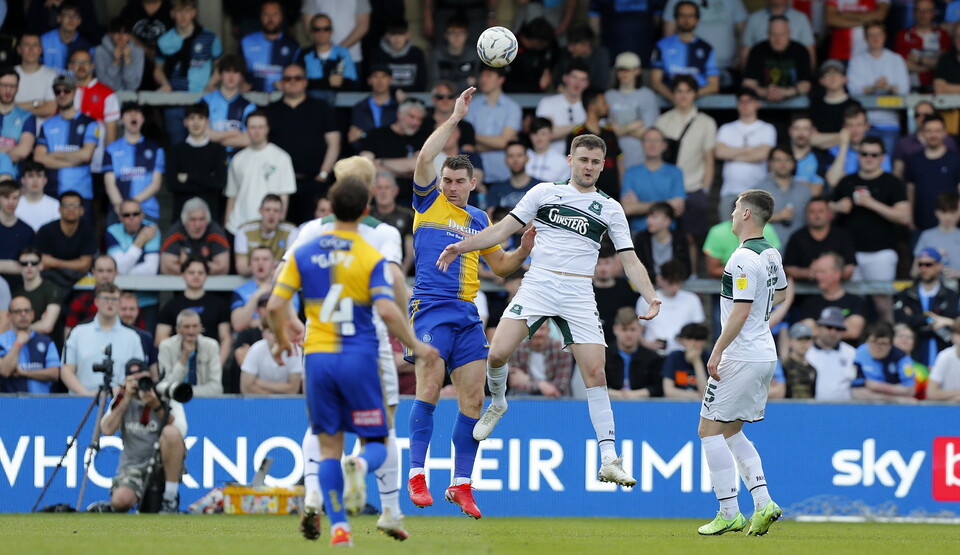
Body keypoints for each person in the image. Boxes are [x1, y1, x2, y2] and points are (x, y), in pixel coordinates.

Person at [438, 128, 663, 488]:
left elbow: (631, 260)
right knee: (496, 355)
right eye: (583, 160)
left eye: (595, 162)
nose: (589, 167)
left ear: (602, 165)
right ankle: (498, 403)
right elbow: (501, 231)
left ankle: (609, 459)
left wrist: (650, 295)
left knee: (596, 374)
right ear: (570, 160)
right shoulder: (545, 192)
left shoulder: (610, 207)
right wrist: (461, 247)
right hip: (540, 282)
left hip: (577, 290)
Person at [267, 177, 438, 547]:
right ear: (365, 211)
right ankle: (359, 466)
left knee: (328, 446)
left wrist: (281, 340)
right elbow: (388, 310)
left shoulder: (303, 252)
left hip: (318, 359)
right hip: (359, 358)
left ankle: (340, 527)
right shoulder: (368, 255)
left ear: (328, 206)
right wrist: (416, 346)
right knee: (376, 437)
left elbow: (274, 306)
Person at [406, 87, 535, 519]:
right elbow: (425, 158)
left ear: (473, 184)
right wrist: (455, 118)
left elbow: (499, 268)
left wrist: (521, 251)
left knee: (474, 401)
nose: (453, 187)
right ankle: (417, 475)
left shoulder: (480, 220)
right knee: (428, 386)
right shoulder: (428, 203)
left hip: (466, 313)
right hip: (429, 307)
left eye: (460, 181)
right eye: (448, 180)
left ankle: (461, 484)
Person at [695, 189, 788, 536]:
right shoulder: (771, 254)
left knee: (708, 430)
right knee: (732, 430)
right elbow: (779, 292)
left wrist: (717, 349)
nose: (732, 214)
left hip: (741, 354)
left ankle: (729, 511)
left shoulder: (741, 258)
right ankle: (764, 504)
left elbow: (741, 310)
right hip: (765, 352)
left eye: (736, 208)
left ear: (747, 214)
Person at [830, 136, 910, 321]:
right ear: (858, 156)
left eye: (874, 155)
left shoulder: (892, 182)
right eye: (864, 153)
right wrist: (836, 207)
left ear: (883, 157)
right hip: (848, 255)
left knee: (883, 303)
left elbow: (904, 216)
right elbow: (825, 210)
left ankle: (888, 337)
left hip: (880, 253)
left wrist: (872, 203)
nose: (869, 158)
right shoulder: (846, 181)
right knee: (850, 304)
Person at [101, 359, 187, 514]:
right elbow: (106, 429)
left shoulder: (164, 395)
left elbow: (180, 431)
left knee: (170, 432)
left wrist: (157, 406)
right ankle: (131, 499)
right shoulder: (121, 398)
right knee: (120, 502)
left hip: (164, 464)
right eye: (134, 378)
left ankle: (170, 499)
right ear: (126, 381)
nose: (140, 382)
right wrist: (126, 398)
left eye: (143, 377)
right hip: (134, 466)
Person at [264, 63, 341, 226]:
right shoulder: (270, 111)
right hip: (279, 184)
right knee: (282, 230)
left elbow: (334, 143)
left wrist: (323, 175)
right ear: (281, 82)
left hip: (313, 182)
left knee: (313, 230)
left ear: (305, 82)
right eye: (287, 78)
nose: (292, 82)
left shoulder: (321, 108)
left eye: (297, 78)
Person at [655, 75, 717, 272]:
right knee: (665, 236)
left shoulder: (706, 122)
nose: (683, 96)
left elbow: (709, 159)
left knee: (691, 238)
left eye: (688, 91)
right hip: (666, 188)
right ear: (673, 94)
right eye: (679, 91)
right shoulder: (662, 121)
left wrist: (705, 189)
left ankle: (691, 277)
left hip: (694, 186)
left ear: (694, 94)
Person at [154, 0, 223, 144]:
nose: (183, 16)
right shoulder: (164, 40)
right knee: (177, 145)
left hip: (202, 101)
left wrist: (210, 84)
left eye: (187, 11)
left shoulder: (210, 38)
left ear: (193, 13)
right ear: (172, 13)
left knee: (205, 144)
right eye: (179, 11)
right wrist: (165, 85)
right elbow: (158, 70)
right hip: (175, 101)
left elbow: (220, 66)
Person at [61, 283, 146, 396]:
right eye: (106, 298)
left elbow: (137, 374)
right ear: (96, 302)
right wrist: (86, 395)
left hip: (120, 402)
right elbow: (66, 370)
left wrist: (117, 392)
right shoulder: (78, 332)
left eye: (114, 299)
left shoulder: (133, 337)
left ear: (119, 303)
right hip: (81, 401)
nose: (110, 303)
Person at [33, 75, 97, 213]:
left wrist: (53, 155)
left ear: (74, 92)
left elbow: (86, 155)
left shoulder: (89, 123)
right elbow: (39, 159)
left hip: (81, 193)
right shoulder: (47, 125)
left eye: (66, 90)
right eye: (57, 91)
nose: (62, 94)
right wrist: (76, 160)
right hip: (52, 191)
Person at [846, 21, 910, 155]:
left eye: (879, 34)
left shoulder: (896, 59)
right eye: (871, 35)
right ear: (865, 38)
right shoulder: (856, 61)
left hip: (890, 122)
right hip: (863, 125)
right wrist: (874, 87)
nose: (875, 38)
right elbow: (852, 89)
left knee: (886, 165)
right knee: (864, 163)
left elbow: (904, 89)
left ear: (885, 36)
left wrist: (889, 87)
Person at [715, 89, 777, 222]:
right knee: (727, 233)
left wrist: (731, 153)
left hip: (758, 193)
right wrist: (749, 150)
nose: (745, 105)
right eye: (741, 102)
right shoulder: (726, 128)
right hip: (729, 191)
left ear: (757, 104)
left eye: (749, 101)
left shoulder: (767, 128)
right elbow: (720, 153)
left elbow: (764, 154)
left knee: (756, 234)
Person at [156, 257, 231, 365]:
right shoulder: (171, 305)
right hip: (179, 362)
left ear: (206, 275)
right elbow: (161, 338)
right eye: (191, 272)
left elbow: (226, 339)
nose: (196, 276)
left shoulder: (219, 304)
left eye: (200, 272)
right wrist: (177, 363)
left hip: (209, 362)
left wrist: (217, 365)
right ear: (183, 275)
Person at [894, 248, 960, 367]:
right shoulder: (906, 294)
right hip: (913, 354)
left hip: (943, 351)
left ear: (939, 266)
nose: (923, 268)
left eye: (928, 264)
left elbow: (956, 321)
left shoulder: (951, 295)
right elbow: (899, 320)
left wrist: (949, 322)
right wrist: (929, 319)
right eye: (920, 264)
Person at [165, 103, 228, 223]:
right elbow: (172, 185)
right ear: (185, 122)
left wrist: (189, 177)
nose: (196, 122)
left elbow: (219, 183)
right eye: (192, 118)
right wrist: (207, 180)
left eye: (200, 118)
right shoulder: (176, 151)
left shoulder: (218, 150)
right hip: (181, 218)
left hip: (210, 217)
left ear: (207, 121)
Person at [359, 98, 431, 204]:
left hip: (411, 201)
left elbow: (416, 166)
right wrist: (403, 172)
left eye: (419, 119)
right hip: (377, 199)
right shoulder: (376, 135)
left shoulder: (421, 138)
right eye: (411, 117)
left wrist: (381, 162)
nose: (415, 122)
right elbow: (365, 167)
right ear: (399, 114)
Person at [463, 66, 522, 190]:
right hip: (475, 174)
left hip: (503, 173)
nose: (483, 79)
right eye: (482, 75)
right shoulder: (471, 105)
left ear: (500, 79)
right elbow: (468, 144)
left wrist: (474, 137)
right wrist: (497, 143)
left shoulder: (513, 107)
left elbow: (504, 142)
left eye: (488, 76)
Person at [103, 103, 164, 222]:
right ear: (121, 120)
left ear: (143, 119)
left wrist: (131, 206)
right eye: (128, 112)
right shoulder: (111, 149)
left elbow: (156, 184)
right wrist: (123, 208)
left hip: (147, 211)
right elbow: (109, 184)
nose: (133, 115)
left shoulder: (156, 149)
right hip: (118, 211)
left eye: (137, 112)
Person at [620, 128, 685, 234]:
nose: (652, 144)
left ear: (664, 145)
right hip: (638, 233)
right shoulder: (630, 173)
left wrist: (639, 206)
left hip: (667, 234)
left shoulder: (676, 172)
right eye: (648, 140)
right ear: (642, 144)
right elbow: (627, 209)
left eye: (656, 140)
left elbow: (677, 210)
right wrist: (666, 204)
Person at [650, 2, 720, 99]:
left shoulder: (706, 48)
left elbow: (714, 85)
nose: (686, 20)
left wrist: (688, 97)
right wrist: (675, 99)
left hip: (699, 104)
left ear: (697, 19)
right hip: (668, 102)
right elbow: (655, 82)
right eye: (682, 15)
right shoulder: (662, 45)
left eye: (690, 16)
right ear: (676, 18)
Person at [903, 114, 960, 233]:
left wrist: (956, 219)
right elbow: (910, 191)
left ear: (944, 133)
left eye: (937, 131)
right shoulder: (913, 160)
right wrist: (910, 219)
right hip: (920, 226)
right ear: (922, 133)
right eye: (929, 131)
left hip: (952, 227)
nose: (933, 135)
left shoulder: (956, 159)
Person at [565, 88, 623, 199]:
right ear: (592, 106)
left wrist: (621, 190)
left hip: (612, 197)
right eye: (603, 102)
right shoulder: (576, 135)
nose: (607, 106)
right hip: (584, 196)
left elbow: (619, 162)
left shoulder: (610, 133)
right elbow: (571, 167)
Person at [637, 259, 705, 354]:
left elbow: (699, 333)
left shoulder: (692, 299)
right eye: (671, 283)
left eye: (678, 283)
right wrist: (646, 344)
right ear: (660, 280)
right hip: (653, 354)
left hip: (683, 354)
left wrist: (688, 342)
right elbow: (637, 329)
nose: (675, 288)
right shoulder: (646, 299)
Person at [605, 51, 659, 170]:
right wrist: (633, 126)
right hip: (612, 158)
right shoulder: (608, 96)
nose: (623, 73)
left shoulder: (648, 95)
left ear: (638, 70)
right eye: (620, 69)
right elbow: (605, 133)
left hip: (641, 158)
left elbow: (649, 134)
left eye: (627, 69)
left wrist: (618, 129)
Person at [783, 197, 857, 283]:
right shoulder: (797, 237)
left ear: (830, 214)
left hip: (837, 290)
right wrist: (806, 273)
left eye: (821, 211)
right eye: (812, 211)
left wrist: (829, 275)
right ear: (806, 215)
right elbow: (788, 268)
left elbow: (849, 268)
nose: (817, 215)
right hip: (805, 293)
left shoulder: (842, 236)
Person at [798, 252, 868, 343]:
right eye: (817, 272)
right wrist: (841, 327)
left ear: (837, 274)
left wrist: (819, 328)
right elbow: (806, 330)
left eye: (822, 272)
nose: (818, 276)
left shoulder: (856, 301)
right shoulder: (810, 303)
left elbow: (854, 331)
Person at [742, 16, 812, 103]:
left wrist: (784, 92)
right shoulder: (757, 51)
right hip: (761, 107)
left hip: (795, 108)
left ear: (789, 33)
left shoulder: (801, 51)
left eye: (782, 34)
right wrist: (766, 92)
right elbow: (748, 83)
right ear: (768, 34)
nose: (778, 39)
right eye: (774, 34)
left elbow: (806, 85)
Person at [34, 190, 96, 290]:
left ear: (82, 210)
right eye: (66, 205)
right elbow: (44, 262)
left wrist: (54, 263)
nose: (71, 208)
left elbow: (85, 265)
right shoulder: (46, 230)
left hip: (79, 279)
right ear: (59, 209)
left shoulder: (87, 230)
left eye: (75, 205)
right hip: (50, 279)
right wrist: (75, 263)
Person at [0, 296, 60, 393]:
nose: (23, 314)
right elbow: (4, 371)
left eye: (26, 311)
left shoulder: (46, 341)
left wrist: (24, 372)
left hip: (41, 404)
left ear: (32, 314)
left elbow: (54, 374)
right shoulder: (1, 341)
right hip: (10, 404)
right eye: (17, 311)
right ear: (9, 316)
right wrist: (18, 343)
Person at [158, 308, 223, 396]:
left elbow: (216, 387)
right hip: (174, 402)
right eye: (186, 327)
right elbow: (165, 385)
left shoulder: (211, 346)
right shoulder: (166, 346)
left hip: (203, 401)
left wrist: (186, 393)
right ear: (178, 329)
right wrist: (184, 357)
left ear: (200, 327)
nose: (191, 331)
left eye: (195, 326)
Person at [756, 147, 813, 247]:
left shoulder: (805, 191)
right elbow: (749, 220)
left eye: (787, 159)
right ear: (770, 163)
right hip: (767, 249)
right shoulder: (758, 190)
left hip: (799, 250)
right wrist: (777, 216)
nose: (783, 163)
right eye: (778, 159)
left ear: (794, 164)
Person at [159, 197, 230, 275]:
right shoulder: (175, 232)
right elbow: (167, 267)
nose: (197, 225)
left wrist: (187, 262)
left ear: (207, 220)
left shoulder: (215, 232)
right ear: (184, 221)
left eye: (201, 219)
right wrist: (207, 266)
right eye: (193, 219)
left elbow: (222, 268)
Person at [240, 0, 300, 93]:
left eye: (274, 14)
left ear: (281, 17)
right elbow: (236, 69)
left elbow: (298, 75)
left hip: (281, 99)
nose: (270, 19)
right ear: (260, 17)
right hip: (251, 97)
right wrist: (241, 82)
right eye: (266, 14)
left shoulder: (292, 46)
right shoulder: (246, 41)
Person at [605, 306, 663, 399]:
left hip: (643, 406)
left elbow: (658, 388)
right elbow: (596, 385)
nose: (628, 334)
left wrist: (633, 395)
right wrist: (618, 395)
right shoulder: (603, 355)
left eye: (632, 329)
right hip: (610, 403)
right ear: (615, 329)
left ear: (640, 329)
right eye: (624, 329)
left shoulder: (652, 358)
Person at [200, 55, 255, 155]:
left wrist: (215, 137)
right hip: (208, 157)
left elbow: (248, 139)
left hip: (237, 159)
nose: (231, 76)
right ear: (220, 75)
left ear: (242, 76)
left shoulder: (249, 106)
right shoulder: (205, 101)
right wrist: (233, 133)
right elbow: (201, 132)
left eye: (236, 72)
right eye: (227, 71)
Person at [298, 13, 357, 103]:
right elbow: (299, 82)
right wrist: (327, 82)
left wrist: (320, 84)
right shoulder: (304, 54)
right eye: (317, 29)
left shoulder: (343, 53)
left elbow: (352, 83)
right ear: (311, 32)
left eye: (326, 29)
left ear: (331, 31)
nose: (322, 33)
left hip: (338, 107)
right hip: (311, 104)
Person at [535, 61, 590, 157]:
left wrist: (558, 131)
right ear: (565, 78)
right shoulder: (547, 103)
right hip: (552, 163)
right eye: (574, 77)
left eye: (582, 79)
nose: (577, 83)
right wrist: (581, 126)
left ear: (587, 84)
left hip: (581, 166)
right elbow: (543, 134)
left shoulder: (590, 107)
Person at [233, 194, 298, 276]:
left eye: (276, 210)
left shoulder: (291, 231)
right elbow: (242, 268)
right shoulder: (244, 231)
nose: (271, 214)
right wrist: (265, 270)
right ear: (260, 211)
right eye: (267, 210)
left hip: (278, 281)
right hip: (251, 281)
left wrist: (261, 268)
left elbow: (292, 266)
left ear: (281, 213)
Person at [231, 246, 292, 332]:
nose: (260, 263)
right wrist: (256, 296)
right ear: (250, 264)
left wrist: (251, 323)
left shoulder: (286, 287)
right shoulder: (240, 291)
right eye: (256, 259)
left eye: (265, 259)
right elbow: (237, 325)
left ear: (274, 264)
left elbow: (289, 320)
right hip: (248, 339)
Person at [852, 321, 917, 401]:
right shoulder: (860, 352)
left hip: (894, 407)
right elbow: (856, 391)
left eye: (883, 343)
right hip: (865, 404)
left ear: (891, 344)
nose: (877, 347)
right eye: (873, 342)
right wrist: (895, 398)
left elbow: (910, 390)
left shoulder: (902, 359)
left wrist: (876, 386)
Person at [739, 0, 816, 67]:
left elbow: (810, 53)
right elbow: (746, 53)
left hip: (794, 79)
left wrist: (808, 78)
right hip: (761, 80)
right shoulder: (754, 19)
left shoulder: (801, 18)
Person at [505, 323, 574, 398]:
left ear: (548, 330)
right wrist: (541, 385)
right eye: (534, 328)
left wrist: (528, 380)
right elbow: (515, 383)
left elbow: (561, 386)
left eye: (542, 328)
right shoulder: (517, 349)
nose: (537, 333)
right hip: (525, 397)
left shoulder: (562, 349)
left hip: (557, 398)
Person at [805, 306, 859, 400]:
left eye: (838, 329)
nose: (833, 332)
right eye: (829, 327)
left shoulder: (852, 353)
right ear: (818, 327)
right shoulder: (806, 351)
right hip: (811, 409)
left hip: (844, 410)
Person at [895, 0, 950, 92]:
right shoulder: (903, 35)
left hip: (936, 90)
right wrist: (933, 64)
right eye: (919, 10)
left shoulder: (943, 35)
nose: (923, 14)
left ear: (933, 13)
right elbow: (902, 65)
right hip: (910, 89)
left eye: (927, 11)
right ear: (913, 13)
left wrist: (919, 60)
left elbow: (946, 64)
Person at [239, 318, 302, 395]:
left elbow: (293, 389)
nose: (276, 336)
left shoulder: (295, 351)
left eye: (279, 331)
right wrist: (271, 398)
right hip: (258, 403)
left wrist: (259, 382)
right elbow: (246, 388)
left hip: (286, 404)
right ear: (263, 334)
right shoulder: (255, 349)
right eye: (271, 332)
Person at [593, 244, 640, 344]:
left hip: (620, 343)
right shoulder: (587, 290)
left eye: (606, 263)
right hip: (595, 341)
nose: (603, 268)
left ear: (614, 264)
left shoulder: (625, 287)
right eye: (599, 263)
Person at [368, 171, 414, 274]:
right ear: (373, 191)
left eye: (387, 187)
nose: (383, 192)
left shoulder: (407, 216)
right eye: (379, 188)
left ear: (395, 191)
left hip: (398, 271)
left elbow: (409, 253)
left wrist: (400, 277)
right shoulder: (367, 214)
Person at [12, 247, 62, 340]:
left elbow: (47, 326)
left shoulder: (52, 290)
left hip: (47, 347)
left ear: (41, 265)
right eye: (24, 263)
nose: (29, 266)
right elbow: (9, 325)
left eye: (34, 263)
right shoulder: (16, 294)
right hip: (21, 346)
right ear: (19, 267)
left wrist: (21, 329)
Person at [633, 202, 691, 282]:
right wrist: (655, 278)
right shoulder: (642, 239)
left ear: (667, 221)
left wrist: (671, 278)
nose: (648, 221)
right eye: (648, 217)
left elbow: (686, 268)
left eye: (654, 217)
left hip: (674, 284)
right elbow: (638, 267)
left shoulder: (680, 239)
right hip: (650, 283)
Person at [63, 254, 117, 339]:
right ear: (93, 272)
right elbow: (69, 333)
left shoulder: (125, 301)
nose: (105, 275)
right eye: (100, 271)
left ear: (116, 272)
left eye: (109, 271)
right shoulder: (81, 300)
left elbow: (138, 333)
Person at [809, 61, 861, 149]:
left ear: (845, 79)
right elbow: (812, 139)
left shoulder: (854, 105)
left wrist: (822, 139)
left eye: (837, 73)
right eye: (828, 74)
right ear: (821, 81)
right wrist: (842, 137)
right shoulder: (815, 105)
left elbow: (855, 137)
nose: (833, 77)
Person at [347, 65, 398, 149]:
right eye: (375, 76)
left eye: (384, 76)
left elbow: (402, 135)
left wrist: (364, 134)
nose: (379, 80)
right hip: (366, 154)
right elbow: (353, 138)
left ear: (390, 80)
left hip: (393, 155)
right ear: (369, 81)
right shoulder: (359, 108)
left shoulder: (399, 107)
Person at [369, 19, 427, 92]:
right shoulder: (378, 54)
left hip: (412, 99)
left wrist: (405, 96)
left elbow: (421, 83)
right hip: (385, 98)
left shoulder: (417, 54)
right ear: (387, 35)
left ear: (408, 35)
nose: (397, 38)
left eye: (401, 34)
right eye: (393, 34)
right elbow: (375, 83)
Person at [0, 67, 38, 177]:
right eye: (3, 85)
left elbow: (22, 152)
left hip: (14, 181)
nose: (8, 90)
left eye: (12, 86)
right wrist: (8, 149)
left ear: (17, 88)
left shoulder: (27, 116)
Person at [915, 192, 960, 282]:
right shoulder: (926, 236)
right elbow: (914, 272)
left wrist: (957, 274)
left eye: (953, 212)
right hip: (933, 288)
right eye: (944, 212)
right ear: (936, 212)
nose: (948, 217)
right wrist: (932, 256)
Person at [825, 0, 890, 61]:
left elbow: (879, 15)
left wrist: (846, 15)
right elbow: (830, 19)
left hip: (868, 55)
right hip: (839, 54)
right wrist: (867, 21)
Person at [429, 14, 479, 92]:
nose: (457, 37)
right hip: (444, 99)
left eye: (461, 33)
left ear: (466, 35)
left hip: (470, 98)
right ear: (446, 35)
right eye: (452, 32)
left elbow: (477, 84)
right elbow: (435, 85)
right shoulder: (438, 55)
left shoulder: (474, 55)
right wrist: (465, 83)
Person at [14, 32, 58, 122]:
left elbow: (50, 109)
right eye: (27, 45)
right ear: (19, 49)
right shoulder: (8, 74)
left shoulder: (51, 75)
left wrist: (15, 107)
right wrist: (35, 103)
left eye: (35, 45)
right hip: (11, 133)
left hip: (41, 133)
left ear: (40, 50)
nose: (31, 49)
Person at [94, 17, 145, 92]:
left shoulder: (138, 52)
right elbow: (103, 85)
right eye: (117, 32)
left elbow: (133, 86)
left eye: (125, 33)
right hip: (108, 96)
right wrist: (115, 63)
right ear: (110, 34)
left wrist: (127, 61)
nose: (121, 37)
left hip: (130, 98)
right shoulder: (100, 51)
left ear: (130, 36)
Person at [39, 2, 93, 72]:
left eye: (75, 16)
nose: (71, 19)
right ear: (59, 18)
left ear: (79, 21)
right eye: (67, 15)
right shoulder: (44, 40)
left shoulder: (86, 45)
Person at [0, 180, 35, 286]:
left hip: (18, 286)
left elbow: (29, 265)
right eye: (6, 197)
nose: (11, 202)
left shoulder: (27, 230)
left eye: (15, 198)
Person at [485, 141, 537, 212]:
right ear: (505, 160)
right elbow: (491, 219)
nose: (515, 160)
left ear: (527, 158)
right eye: (511, 156)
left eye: (519, 155)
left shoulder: (541, 187)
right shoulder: (495, 190)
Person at [661, 322, 709, 399]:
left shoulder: (709, 358)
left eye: (698, 339)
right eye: (689, 339)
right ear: (681, 340)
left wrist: (697, 362)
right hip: (677, 405)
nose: (693, 343)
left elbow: (706, 393)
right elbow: (668, 391)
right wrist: (698, 396)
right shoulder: (674, 357)